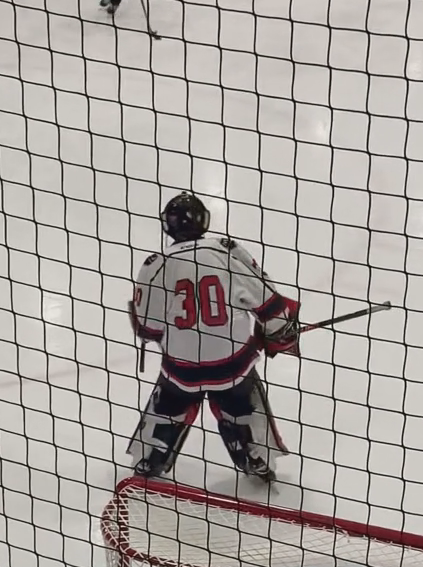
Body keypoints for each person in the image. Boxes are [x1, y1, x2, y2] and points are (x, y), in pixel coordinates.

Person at [127, 192, 300, 483]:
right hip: (230, 364)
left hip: (181, 369)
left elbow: (148, 328)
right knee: (241, 396)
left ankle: (152, 453)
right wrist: (275, 336)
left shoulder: (154, 265)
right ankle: (255, 453)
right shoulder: (226, 251)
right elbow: (271, 306)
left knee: (170, 396)